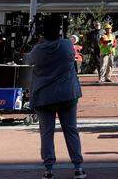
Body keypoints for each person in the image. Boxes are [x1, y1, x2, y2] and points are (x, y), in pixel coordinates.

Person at [28, 14, 85, 179]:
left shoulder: (38, 50)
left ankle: (48, 169)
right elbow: (70, 54)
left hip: (44, 96)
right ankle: (78, 167)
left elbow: (29, 60)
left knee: (46, 133)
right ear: (59, 31)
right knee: (71, 130)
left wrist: (39, 43)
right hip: (67, 94)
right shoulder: (67, 46)